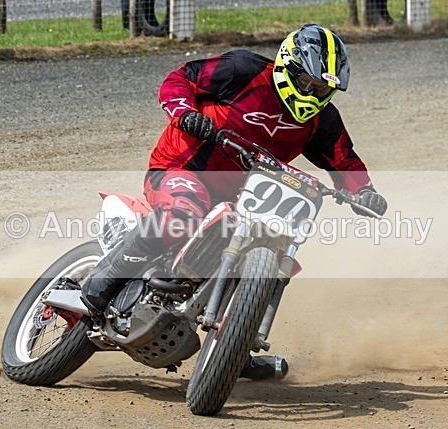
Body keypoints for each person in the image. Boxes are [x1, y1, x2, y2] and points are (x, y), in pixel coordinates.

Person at [81, 24, 387, 376]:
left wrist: (364, 191)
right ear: (289, 67)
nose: (314, 94)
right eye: (309, 83)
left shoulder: (322, 119)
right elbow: (179, 79)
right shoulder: (243, 70)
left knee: (273, 252)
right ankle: (103, 280)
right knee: (182, 215)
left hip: (242, 198)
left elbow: (344, 159)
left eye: (324, 89)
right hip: (184, 168)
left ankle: (234, 345)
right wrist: (185, 113)